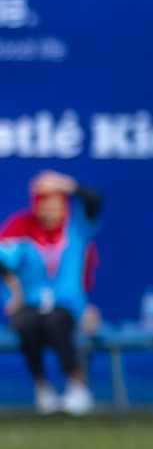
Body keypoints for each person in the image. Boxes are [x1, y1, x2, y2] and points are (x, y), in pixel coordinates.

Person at [0, 170, 100, 415]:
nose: (50, 211)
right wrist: (12, 290)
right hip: (31, 304)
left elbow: (94, 201)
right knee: (27, 323)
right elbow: (4, 259)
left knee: (55, 321)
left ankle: (77, 384)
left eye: (56, 205)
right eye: (45, 205)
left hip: (68, 305)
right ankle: (42, 387)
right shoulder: (23, 230)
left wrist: (68, 185)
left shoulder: (76, 229)